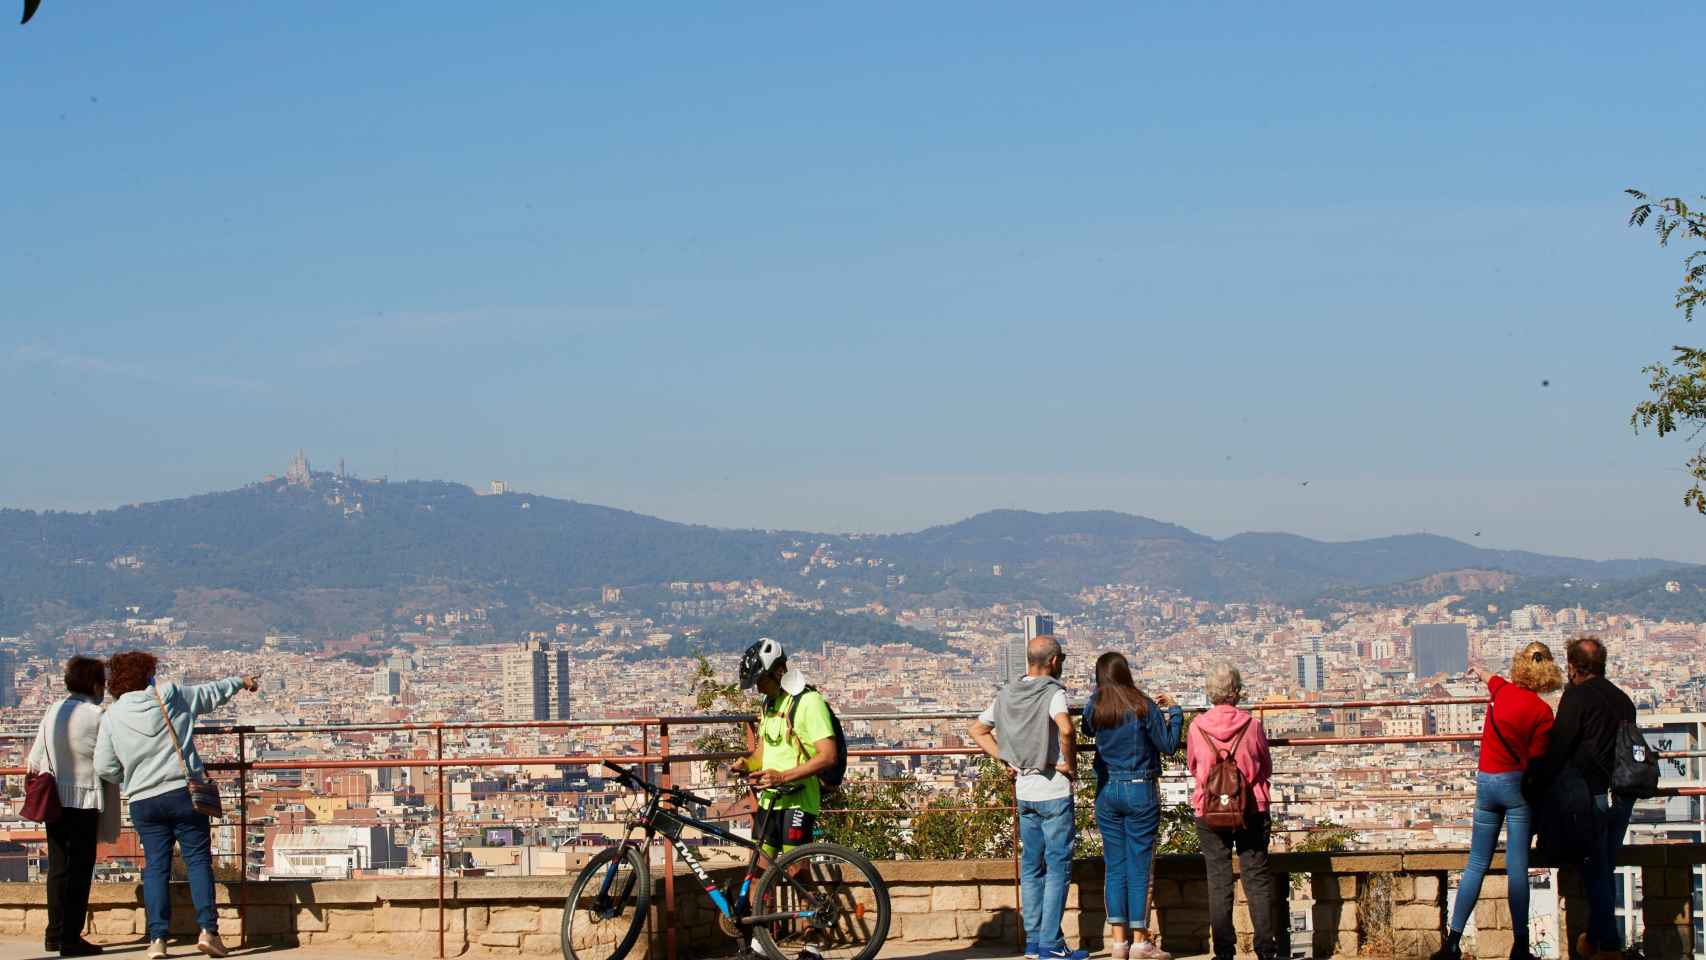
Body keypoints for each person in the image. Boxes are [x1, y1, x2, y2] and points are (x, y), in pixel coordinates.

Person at [94, 652, 260, 960]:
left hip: (143, 798)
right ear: (148, 674)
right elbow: (210, 694)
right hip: (183, 792)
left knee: (156, 867)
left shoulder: (111, 717)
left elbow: (104, 766)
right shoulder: (168, 696)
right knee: (197, 861)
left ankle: (157, 939)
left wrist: (129, 773)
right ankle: (208, 932)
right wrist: (240, 682)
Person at [1434, 642, 1561, 960]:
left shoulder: (1501, 691)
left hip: (1485, 784)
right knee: (1517, 869)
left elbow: (1491, 678)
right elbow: (1538, 761)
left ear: (1518, 667)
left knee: (1476, 863)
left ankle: (1453, 942)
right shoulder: (1542, 713)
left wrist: (1478, 670)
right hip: (1516, 789)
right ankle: (1520, 946)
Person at [970, 634, 1087, 960]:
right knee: (1058, 868)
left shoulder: (1007, 694)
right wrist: (1069, 764)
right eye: (1061, 658)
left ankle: (1035, 941)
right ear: (1053, 661)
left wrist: (1006, 758)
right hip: (1053, 791)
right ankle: (1052, 943)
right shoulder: (1052, 693)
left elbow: (977, 730)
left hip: (1024, 792)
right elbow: (1066, 729)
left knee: (1032, 867)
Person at [1527, 637, 1636, 960]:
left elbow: (1558, 749)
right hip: (1622, 795)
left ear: (1573, 667)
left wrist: (1535, 783)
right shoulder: (1623, 700)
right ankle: (1601, 940)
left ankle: (1608, 945)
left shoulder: (1576, 698)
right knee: (1604, 866)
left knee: (1596, 869)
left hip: (1592, 796)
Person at [735, 637, 838, 960]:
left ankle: (814, 941)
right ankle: (760, 946)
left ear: (780, 672)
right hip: (770, 802)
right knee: (759, 870)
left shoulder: (809, 703)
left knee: (797, 872)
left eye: (762, 680)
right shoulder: (769, 705)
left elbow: (828, 756)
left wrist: (783, 777)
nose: (758, 688)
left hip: (797, 801)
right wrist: (747, 763)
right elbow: (765, 752)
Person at [1081, 652, 1182, 960]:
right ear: (1126, 673)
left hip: (1108, 790)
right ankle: (1140, 942)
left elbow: (1086, 730)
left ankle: (1118, 943)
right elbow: (1167, 745)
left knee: (1115, 867)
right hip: (1140, 790)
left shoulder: (1095, 705)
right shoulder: (1143, 705)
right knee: (1140, 868)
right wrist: (1175, 712)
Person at [27, 657, 119, 958]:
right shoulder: (97, 716)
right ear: (94, 684)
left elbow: (35, 759)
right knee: (80, 870)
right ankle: (71, 938)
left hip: (54, 797)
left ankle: (53, 933)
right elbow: (108, 761)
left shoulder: (53, 710)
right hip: (84, 799)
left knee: (57, 868)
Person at [1185, 663, 1278, 960]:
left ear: (1211, 693)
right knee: (1256, 880)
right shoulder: (1252, 725)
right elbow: (1265, 766)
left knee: (1219, 879)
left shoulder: (1197, 727)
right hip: (1251, 807)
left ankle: (1224, 952)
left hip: (1209, 809)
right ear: (1236, 692)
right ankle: (1266, 950)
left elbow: (1193, 767)